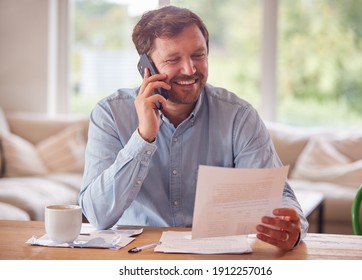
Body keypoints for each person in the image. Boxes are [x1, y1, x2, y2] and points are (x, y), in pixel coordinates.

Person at [78, 5, 308, 250]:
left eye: (198, 55)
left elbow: (275, 198)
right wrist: (143, 138)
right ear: (147, 66)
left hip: (215, 258)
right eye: (173, 59)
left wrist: (291, 228)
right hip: (136, 257)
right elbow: (97, 215)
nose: (190, 70)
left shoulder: (239, 117)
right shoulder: (110, 115)